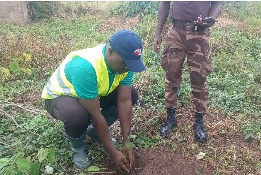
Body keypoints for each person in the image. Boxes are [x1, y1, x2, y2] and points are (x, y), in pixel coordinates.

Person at [41, 30, 145, 171]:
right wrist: (113, 152)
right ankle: (78, 148)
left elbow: (125, 101)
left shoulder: (126, 64)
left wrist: (127, 142)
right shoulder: (85, 66)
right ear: (111, 51)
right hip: (60, 97)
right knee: (77, 116)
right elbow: (95, 115)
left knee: (131, 94)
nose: (127, 68)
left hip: (90, 95)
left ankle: (94, 133)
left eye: (131, 64)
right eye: (125, 63)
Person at [153, 2, 222, 143]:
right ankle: (171, 117)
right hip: (176, 34)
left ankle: (199, 121)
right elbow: (165, 4)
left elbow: (217, 3)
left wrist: (210, 20)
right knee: (171, 75)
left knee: (199, 79)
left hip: (200, 34)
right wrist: (158, 33)